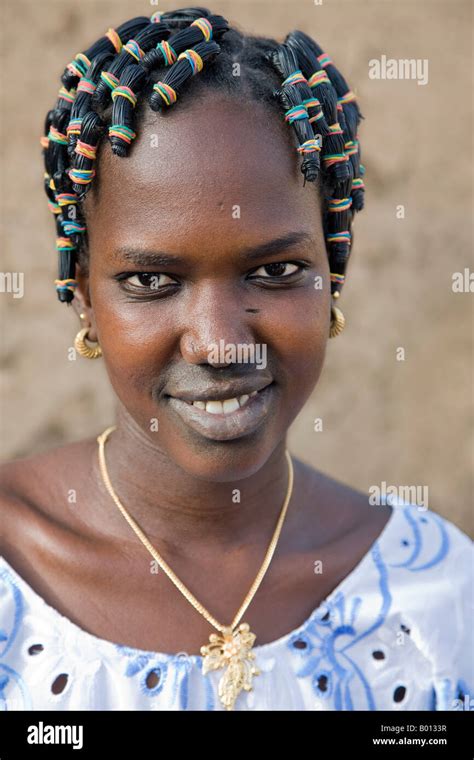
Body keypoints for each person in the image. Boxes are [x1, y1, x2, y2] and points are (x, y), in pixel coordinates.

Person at [0, 6, 472, 712]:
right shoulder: (15, 574)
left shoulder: (437, 599)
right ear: (83, 297)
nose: (219, 343)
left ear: (331, 275)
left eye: (277, 272)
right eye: (150, 281)